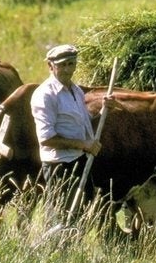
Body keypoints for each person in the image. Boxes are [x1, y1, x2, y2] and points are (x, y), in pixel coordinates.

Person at [30, 44, 111, 226]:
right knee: (61, 219)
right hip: (60, 165)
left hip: (80, 160)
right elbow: (46, 139)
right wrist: (84, 144)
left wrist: (104, 110)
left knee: (81, 217)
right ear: (51, 66)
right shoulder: (45, 95)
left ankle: (72, 252)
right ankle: (54, 251)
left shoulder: (75, 90)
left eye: (71, 64)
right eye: (62, 65)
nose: (67, 69)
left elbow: (84, 124)